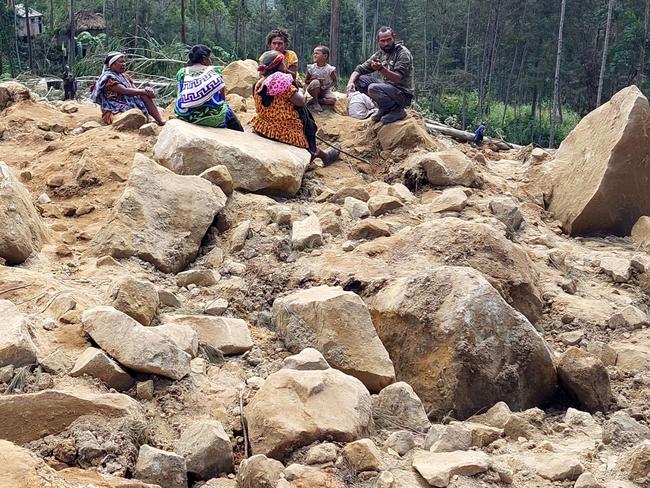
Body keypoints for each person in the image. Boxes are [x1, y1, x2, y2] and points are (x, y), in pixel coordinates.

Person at [250, 51, 340, 166]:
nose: (285, 65)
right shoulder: (281, 82)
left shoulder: (260, 82)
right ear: (278, 66)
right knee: (306, 121)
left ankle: (320, 154)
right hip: (283, 129)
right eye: (283, 63)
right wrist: (301, 91)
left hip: (264, 125)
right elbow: (301, 102)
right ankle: (316, 153)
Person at [346, 26, 414, 124]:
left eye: (388, 40)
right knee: (359, 80)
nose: (386, 43)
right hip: (388, 88)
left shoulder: (402, 53)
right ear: (378, 41)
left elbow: (397, 78)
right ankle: (385, 108)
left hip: (402, 93)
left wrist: (381, 69)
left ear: (394, 37)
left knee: (373, 88)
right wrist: (351, 82)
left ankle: (397, 110)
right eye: (383, 41)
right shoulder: (380, 54)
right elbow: (360, 69)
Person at [174, 44, 243, 131]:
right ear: (204, 59)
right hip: (213, 116)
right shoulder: (214, 71)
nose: (210, 60)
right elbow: (222, 99)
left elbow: (180, 94)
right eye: (209, 58)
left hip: (186, 116)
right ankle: (240, 134)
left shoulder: (182, 73)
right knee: (228, 112)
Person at [90, 52, 165, 126]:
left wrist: (147, 91)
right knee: (129, 113)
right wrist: (144, 91)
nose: (124, 64)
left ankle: (160, 120)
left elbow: (134, 89)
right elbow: (125, 91)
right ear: (112, 64)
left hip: (126, 102)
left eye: (124, 62)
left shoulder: (124, 76)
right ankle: (143, 122)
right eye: (121, 62)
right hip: (113, 107)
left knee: (144, 96)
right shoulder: (108, 78)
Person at [305, 46, 337, 112]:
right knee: (316, 82)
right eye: (314, 53)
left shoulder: (329, 69)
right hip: (313, 89)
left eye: (317, 53)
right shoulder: (311, 68)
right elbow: (306, 81)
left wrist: (326, 86)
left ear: (325, 56)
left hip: (324, 91)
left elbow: (335, 81)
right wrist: (314, 79)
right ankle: (316, 102)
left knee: (333, 100)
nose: (314, 55)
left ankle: (317, 100)